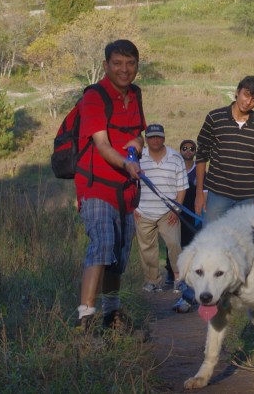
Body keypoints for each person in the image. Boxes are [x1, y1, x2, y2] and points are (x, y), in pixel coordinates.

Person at [73, 39, 146, 333]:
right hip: (96, 187)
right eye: (117, 63)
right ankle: (85, 320)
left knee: (118, 257)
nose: (124, 70)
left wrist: (137, 144)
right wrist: (127, 163)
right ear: (106, 65)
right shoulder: (94, 96)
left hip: (126, 191)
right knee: (102, 244)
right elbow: (102, 145)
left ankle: (111, 316)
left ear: (137, 66)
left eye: (130, 64)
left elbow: (139, 134)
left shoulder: (135, 95)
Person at [194, 76, 254, 226]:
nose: (248, 102)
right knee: (212, 238)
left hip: (247, 199)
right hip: (217, 195)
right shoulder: (215, 118)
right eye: (246, 95)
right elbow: (201, 155)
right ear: (237, 92)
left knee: (242, 240)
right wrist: (199, 193)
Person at [134, 123, 188, 296]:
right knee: (147, 249)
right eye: (151, 137)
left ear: (164, 138)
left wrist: (176, 209)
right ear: (146, 139)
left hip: (168, 212)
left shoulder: (175, 157)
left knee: (174, 245)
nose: (155, 140)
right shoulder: (137, 158)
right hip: (143, 212)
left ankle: (179, 279)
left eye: (158, 136)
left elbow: (182, 187)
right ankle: (152, 281)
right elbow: (131, 184)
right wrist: (134, 207)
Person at [167, 138, 200, 313]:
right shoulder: (175, 168)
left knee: (188, 245)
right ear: (180, 151)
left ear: (195, 152)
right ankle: (171, 274)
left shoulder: (199, 171)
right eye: (185, 148)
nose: (188, 151)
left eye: (191, 148)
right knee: (172, 242)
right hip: (174, 212)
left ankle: (187, 278)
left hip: (192, 214)